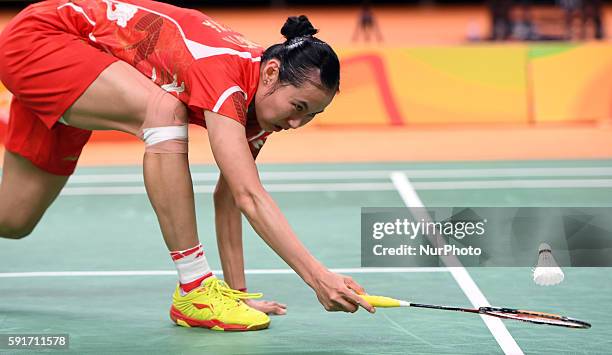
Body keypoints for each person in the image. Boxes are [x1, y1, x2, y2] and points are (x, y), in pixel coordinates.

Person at [0, 0, 374, 331]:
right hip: (43, 39)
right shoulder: (226, 77)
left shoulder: (262, 107)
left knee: (14, 220)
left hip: (87, 68)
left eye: (310, 115)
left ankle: (212, 293)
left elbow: (229, 198)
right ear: (272, 73)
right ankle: (194, 287)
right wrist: (317, 276)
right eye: (297, 108)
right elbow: (250, 196)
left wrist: (236, 296)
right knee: (162, 112)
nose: (296, 124)